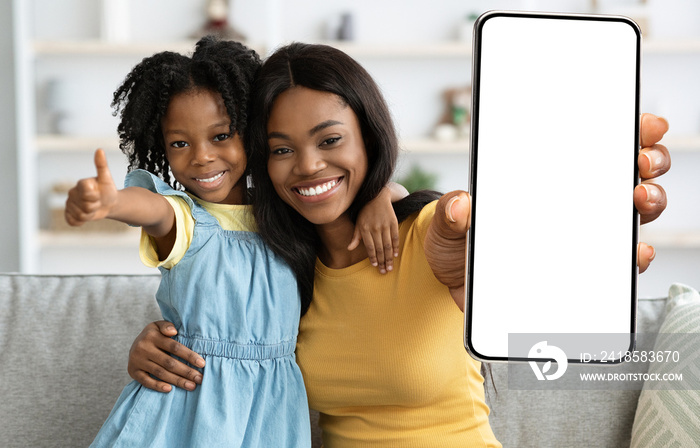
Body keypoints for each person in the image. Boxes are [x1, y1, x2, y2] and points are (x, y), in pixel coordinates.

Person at [125, 43, 671, 447]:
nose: (309, 165)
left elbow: (466, 239)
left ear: (370, 135)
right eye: (281, 148)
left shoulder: (432, 230)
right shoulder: (279, 271)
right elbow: (224, 340)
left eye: (331, 139)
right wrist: (158, 346)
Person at [65, 37, 401, 447]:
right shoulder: (188, 219)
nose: (202, 157)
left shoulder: (289, 213)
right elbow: (152, 210)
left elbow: (376, 192)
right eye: (180, 144)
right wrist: (112, 202)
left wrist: (380, 195)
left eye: (221, 135)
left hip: (270, 413)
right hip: (187, 413)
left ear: (250, 131)